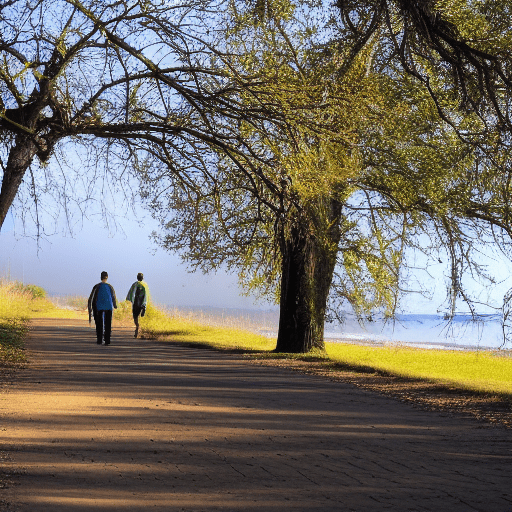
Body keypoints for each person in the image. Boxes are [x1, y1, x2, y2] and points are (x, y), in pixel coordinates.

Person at [88, 271, 118, 345]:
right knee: (108, 324)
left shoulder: (96, 286)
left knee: (99, 324)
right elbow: (114, 297)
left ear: (101, 277)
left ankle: (99, 340)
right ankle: (107, 340)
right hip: (109, 307)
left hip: (98, 308)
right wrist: (115, 305)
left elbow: (91, 298)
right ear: (107, 277)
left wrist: (89, 308)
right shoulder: (110, 286)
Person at [126, 272, 149, 338]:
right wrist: (145, 304)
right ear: (143, 278)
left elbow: (131, 294)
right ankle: (140, 330)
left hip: (136, 303)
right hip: (142, 303)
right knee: (141, 317)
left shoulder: (134, 284)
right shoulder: (145, 285)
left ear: (137, 278)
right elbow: (147, 295)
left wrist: (129, 301)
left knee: (135, 317)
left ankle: (137, 327)